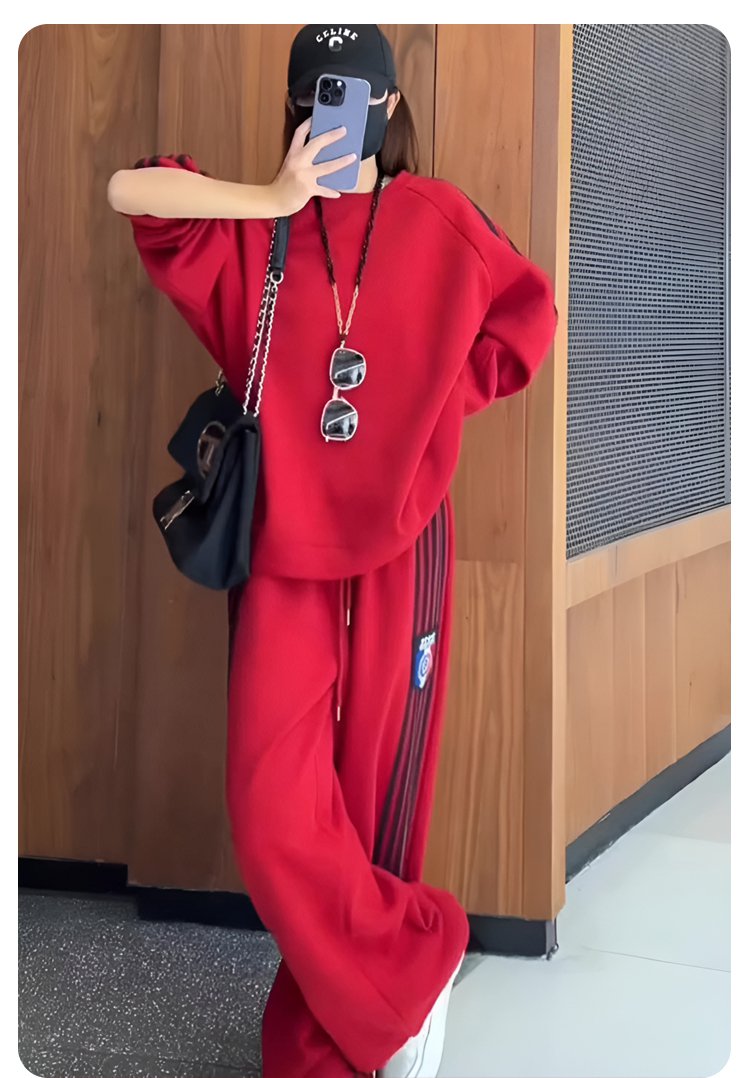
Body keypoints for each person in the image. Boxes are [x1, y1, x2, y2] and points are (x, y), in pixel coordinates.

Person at [107, 23, 558, 1078]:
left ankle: (327, 1045)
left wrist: (430, 414)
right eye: (317, 92)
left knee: (374, 805)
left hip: (406, 545)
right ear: (296, 103)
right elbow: (132, 193)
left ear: (389, 107)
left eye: (353, 93)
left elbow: (526, 318)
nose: (334, 111)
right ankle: (412, 966)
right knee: (273, 813)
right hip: (281, 552)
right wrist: (271, 196)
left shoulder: (438, 217)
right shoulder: (251, 230)